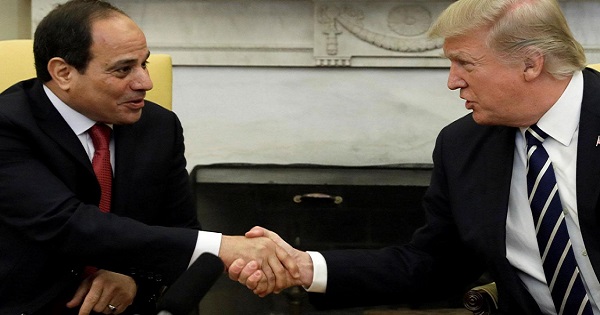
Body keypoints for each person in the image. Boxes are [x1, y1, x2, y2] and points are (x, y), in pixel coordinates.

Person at [229, 0, 600, 314]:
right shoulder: (463, 145)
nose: (452, 81)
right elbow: (433, 266)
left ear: (530, 64)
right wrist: (306, 267)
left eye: (466, 63)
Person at [0, 1, 298, 314]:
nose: (145, 82)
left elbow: (179, 231)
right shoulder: (8, 126)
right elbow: (68, 225)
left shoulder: (159, 126)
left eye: (145, 64)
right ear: (63, 73)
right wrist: (223, 247)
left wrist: (133, 276)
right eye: (123, 69)